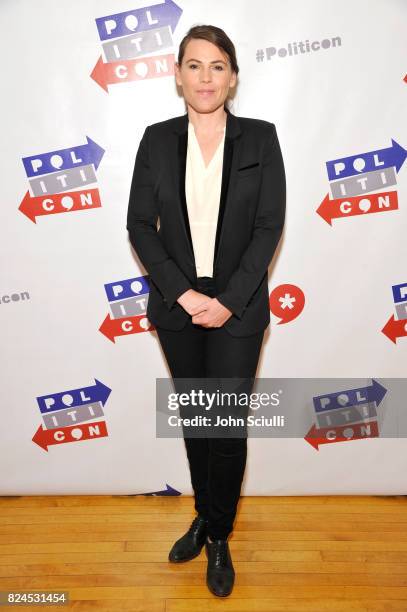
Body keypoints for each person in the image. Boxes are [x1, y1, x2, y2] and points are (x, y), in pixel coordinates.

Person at [126, 24, 286, 597]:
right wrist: (184, 295)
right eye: (194, 65)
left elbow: (269, 227)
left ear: (233, 76)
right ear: (177, 74)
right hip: (178, 306)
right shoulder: (156, 139)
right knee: (197, 420)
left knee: (225, 426)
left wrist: (228, 300)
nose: (205, 77)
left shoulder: (261, 139)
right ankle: (202, 514)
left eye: (217, 66)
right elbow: (140, 226)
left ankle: (219, 534)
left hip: (238, 310)